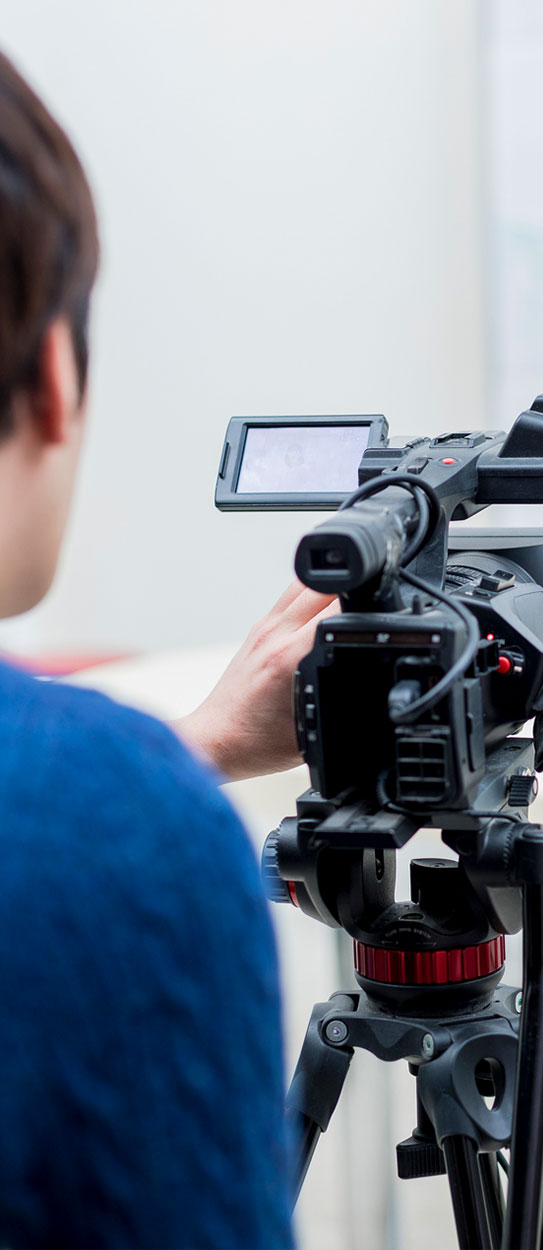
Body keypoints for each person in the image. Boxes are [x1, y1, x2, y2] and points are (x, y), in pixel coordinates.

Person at [0, 49, 341, 1246]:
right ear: (55, 375)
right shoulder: (129, 833)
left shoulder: (107, 801)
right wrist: (138, 794)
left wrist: (186, 749)